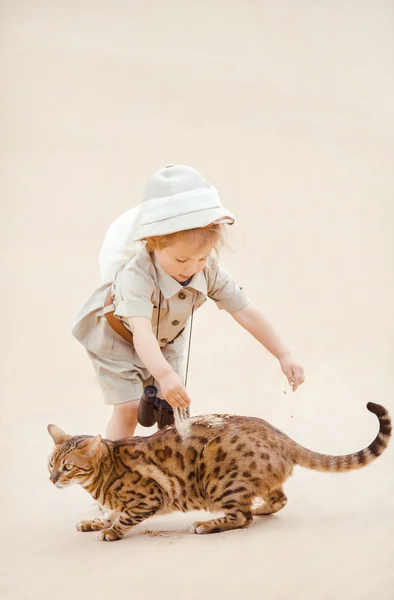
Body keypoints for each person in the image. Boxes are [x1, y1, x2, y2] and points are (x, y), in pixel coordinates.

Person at [72, 165, 305, 440]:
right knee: (129, 409)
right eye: (181, 260)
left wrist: (283, 354)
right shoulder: (137, 276)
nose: (192, 267)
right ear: (153, 243)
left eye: (202, 257)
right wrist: (164, 374)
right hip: (117, 338)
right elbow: (141, 332)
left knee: (174, 409)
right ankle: (112, 474)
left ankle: (162, 471)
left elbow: (245, 311)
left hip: (166, 341)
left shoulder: (206, 270)